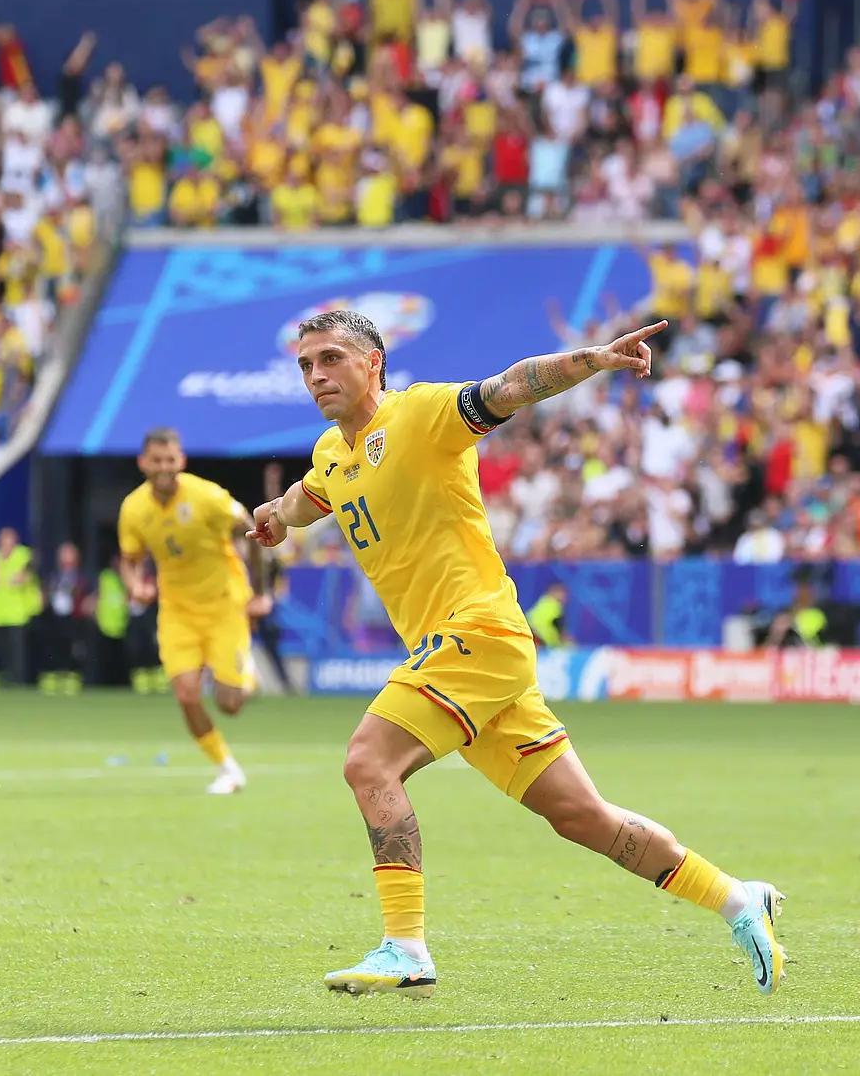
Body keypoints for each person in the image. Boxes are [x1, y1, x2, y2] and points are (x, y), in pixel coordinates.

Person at [250, 309, 784, 998]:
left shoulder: (421, 415)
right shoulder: (332, 452)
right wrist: (275, 516)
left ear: (373, 361)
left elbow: (508, 387)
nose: (316, 375)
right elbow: (311, 496)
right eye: (305, 365)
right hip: (476, 661)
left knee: (368, 762)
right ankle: (739, 899)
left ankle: (405, 947)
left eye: (330, 358)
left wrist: (591, 360)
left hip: (477, 632)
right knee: (583, 817)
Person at [118, 428, 272, 795]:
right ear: (143, 463)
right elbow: (129, 559)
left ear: (181, 461)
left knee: (229, 704)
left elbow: (250, 530)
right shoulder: (133, 508)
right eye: (156, 460)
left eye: (170, 460)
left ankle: (247, 676)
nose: (164, 467)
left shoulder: (207, 496)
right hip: (177, 612)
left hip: (223, 604)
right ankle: (227, 769)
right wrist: (135, 585)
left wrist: (260, 593)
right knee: (186, 695)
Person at [0, 527, 36, 690]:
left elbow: (28, 574)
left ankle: (18, 680)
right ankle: (4, 677)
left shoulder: (23, 555)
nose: (6, 545)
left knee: (17, 651)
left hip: (17, 611)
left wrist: (22, 577)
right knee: (0, 648)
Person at [38, 542, 91, 694]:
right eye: (63, 554)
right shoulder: (54, 575)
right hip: (55, 617)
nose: (66, 558)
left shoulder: (81, 576)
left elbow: (87, 594)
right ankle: (54, 675)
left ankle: (72, 676)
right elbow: (46, 593)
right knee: (54, 645)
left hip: (74, 617)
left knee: (73, 647)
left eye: (69, 554)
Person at [93, 553, 130, 689]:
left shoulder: (126, 578)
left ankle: (122, 683)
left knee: (120, 660)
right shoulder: (106, 577)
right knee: (106, 659)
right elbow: (98, 596)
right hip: (106, 624)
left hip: (122, 624)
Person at [525, 582, 569, 648]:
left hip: (530, 638)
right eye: (561, 593)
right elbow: (560, 629)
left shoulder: (542, 602)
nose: (565, 596)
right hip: (542, 642)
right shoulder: (555, 608)